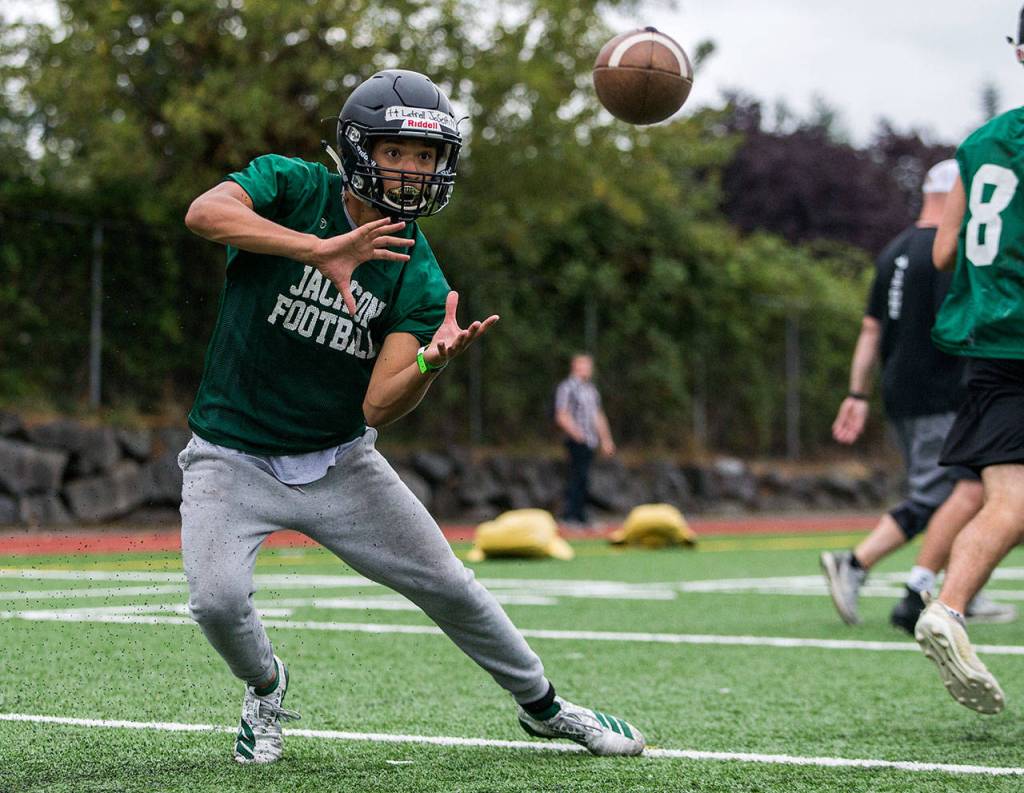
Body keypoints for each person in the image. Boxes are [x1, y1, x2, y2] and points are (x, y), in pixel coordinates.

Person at [182, 69, 645, 763]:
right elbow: (203, 214)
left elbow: (377, 403)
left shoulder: (418, 272)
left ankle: (546, 707)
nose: (412, 170)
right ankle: (265, 685)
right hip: (230, 452)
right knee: (217, 600)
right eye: (397, 151)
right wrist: (317, 249)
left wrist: (431, 363)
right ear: (358, 148)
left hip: (339, 460)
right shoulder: (292, 186)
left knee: (449, 583)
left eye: (426, 157)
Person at [820, 160, 1014, 629]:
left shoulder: (894, 251)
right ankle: (860, 564)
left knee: (970, 490)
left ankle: (965, 587)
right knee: (951, 491)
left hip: (898, 390)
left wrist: (857, 393)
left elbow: (870, 330)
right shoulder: (949, 250)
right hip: (944, 390)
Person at [914, 9, 1024, 714]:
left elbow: (943, 251)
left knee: (1008, 498)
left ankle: (947, 607)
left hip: (989, 347)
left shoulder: (980, 145)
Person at [554, 353, 616, 526]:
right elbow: (561, 414)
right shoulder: (567, 387)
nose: (588, 369)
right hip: (576, 441)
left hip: (590, 441)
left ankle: (580, 515)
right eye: (584, 365)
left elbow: (598, 416)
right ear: (575, 366)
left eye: (589, 366)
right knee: (576, 477)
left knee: (584, 478)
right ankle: (570, 516)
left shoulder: (590, 390)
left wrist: (606, 439)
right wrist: (576, 433)